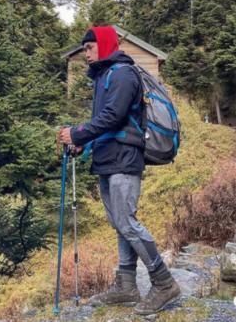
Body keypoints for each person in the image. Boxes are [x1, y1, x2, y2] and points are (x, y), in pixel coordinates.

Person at [58, 25, 180, 316]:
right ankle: (126, 285)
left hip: (125, 158)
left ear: (104, 44)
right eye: (84, 49)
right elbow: (105, 123)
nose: (85, 53)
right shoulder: (103, 77)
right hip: (108, 157)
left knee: (127, 221)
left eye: (89, 47)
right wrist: (82, 145)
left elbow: (113, 117)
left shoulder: (123, 73)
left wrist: (77, 133)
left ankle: (164, 283)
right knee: (119, 223)